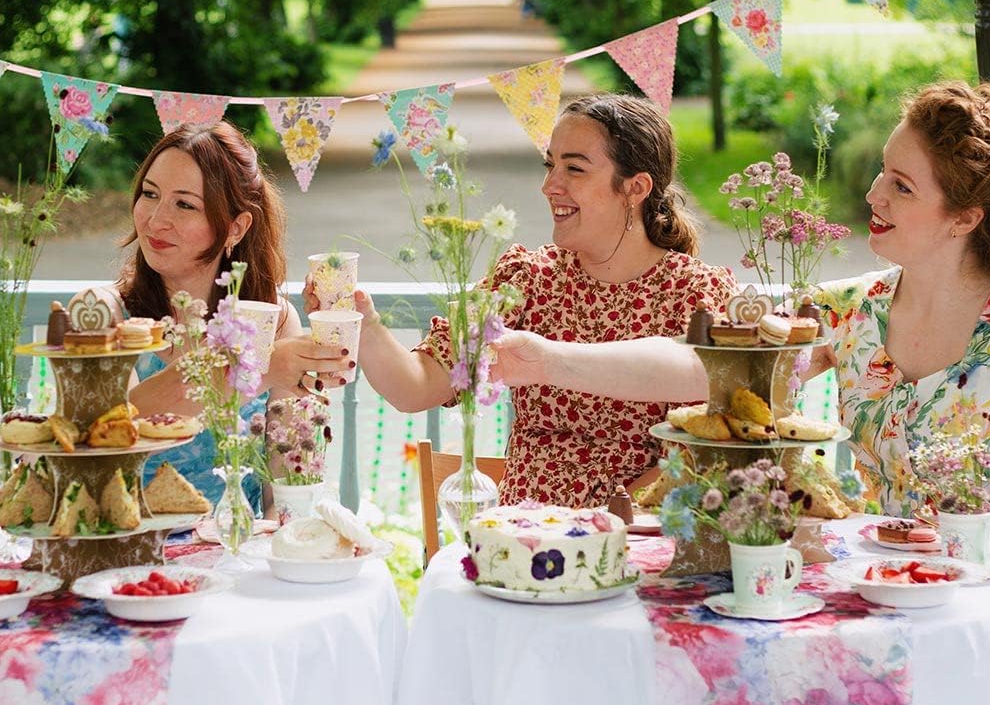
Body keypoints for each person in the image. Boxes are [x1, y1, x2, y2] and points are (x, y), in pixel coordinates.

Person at [489, 82, 990, 666]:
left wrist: (939, 606)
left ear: (964, 218)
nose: (873, 195)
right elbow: (709, 371)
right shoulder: (852, 310)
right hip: (884, 594)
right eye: (880, 173)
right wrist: (549, 359)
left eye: (902, 186)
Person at [314, 94, 737, 508]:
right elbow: (414, 387)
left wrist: (596, 524)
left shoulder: (694, 296)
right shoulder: (526, 280)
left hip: (637, 537)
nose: (550, 186)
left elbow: (700, 452)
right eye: (550, 165)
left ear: (635, 187)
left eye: (574, 168)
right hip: (519, 539)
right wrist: (363, 320)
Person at [116, 122, 350, 506]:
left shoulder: (276, 320)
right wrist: (257, 367)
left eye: (185, 204)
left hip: (241, 553)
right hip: (132, 554)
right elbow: (113, 428)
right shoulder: (106, 314)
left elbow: (289, 487)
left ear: (236, 227)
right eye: (149, 193)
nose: (156, 220)